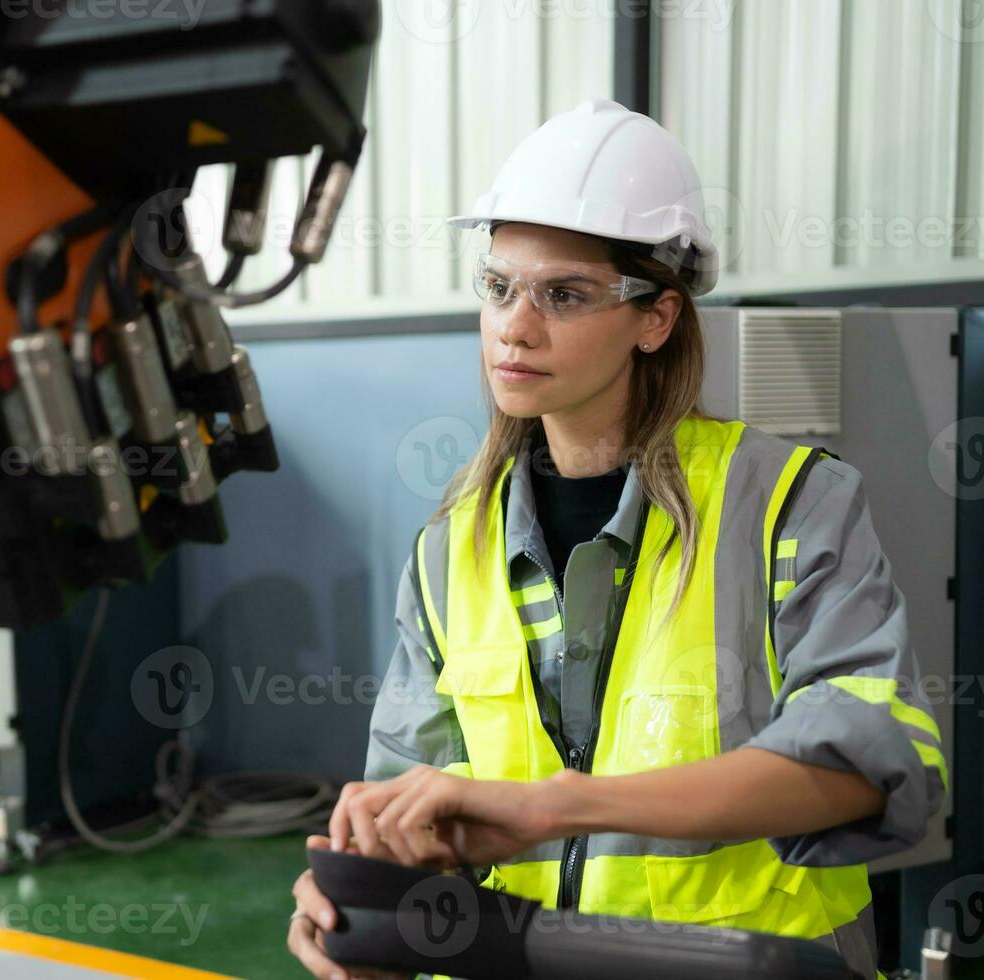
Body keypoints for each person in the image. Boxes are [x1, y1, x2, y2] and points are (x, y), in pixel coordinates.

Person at [286, 99, 945, 980]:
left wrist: (554, 807)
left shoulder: (789, 503)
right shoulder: (451, 548)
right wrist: (360, 904)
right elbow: (411, 806)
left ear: (655, 319)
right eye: (497, 286)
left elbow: (872, 765)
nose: (514, 326)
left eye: (562, 294)